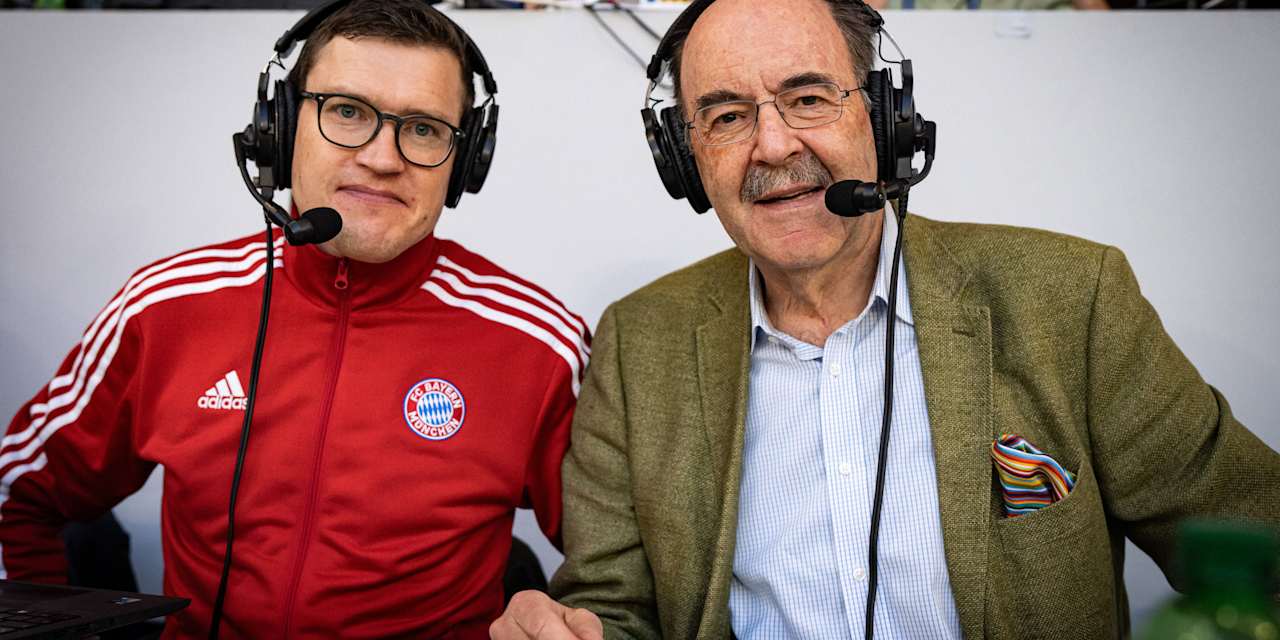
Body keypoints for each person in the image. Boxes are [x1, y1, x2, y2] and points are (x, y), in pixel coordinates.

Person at [490, 0, 1279, 638]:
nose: (771, 145)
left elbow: (1252, 544)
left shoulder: (1070, 299)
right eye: (726, 116)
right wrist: (569, 627)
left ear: (885, 119)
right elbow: (618, 606)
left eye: (807, 99)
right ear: (683, 157)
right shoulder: (638, 342)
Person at [0, 0, 588, 637]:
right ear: (279, 129)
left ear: (464, 160)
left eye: (422, 129)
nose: (382, 158)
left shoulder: (540, 343)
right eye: (347, 112)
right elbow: (16, 496)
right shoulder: (165, 306)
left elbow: (631, 567)